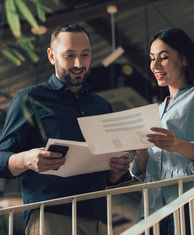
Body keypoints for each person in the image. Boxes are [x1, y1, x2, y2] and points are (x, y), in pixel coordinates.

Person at [0, 22, 132, 235]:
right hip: (51, 217)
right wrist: (27, 159)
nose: (79, 63)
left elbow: (107, 176)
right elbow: (1, 158)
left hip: (99, 219)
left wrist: (116, 170)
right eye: (69, 55)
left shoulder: (102, 106)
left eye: (85, 55)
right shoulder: (29, 99)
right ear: (52, 56)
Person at [132, 27, 194, 234]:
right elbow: (149, 170)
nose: (155, 65)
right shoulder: (156, 110)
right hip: (153, 206)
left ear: (184, 59)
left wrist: (178, 145)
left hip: (190, 199)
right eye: (151, 58)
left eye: (164, 57)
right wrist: (140, 153)